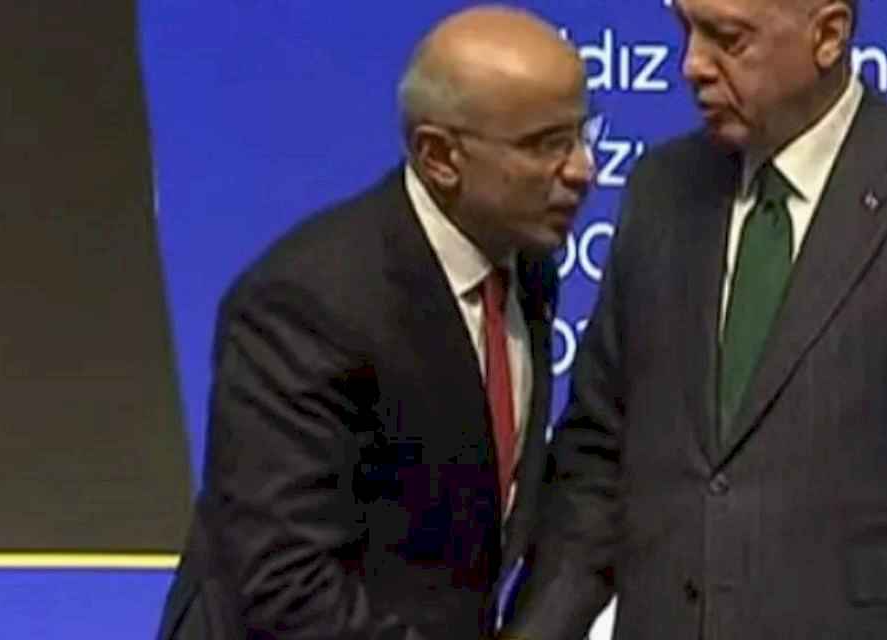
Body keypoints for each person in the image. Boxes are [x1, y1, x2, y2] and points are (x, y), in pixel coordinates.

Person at [504, 0, 887, 638]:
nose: (691, 64)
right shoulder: (662, 188)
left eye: (727, 38)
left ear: (828, 35)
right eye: (686, 30)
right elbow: (599, 458)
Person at [155, 6, 593, 639]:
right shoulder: (306, 304)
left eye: (579, 135)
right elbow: (286, 584)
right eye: (545, 146)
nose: (582, 169)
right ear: (439, 156)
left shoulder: (525, 266)